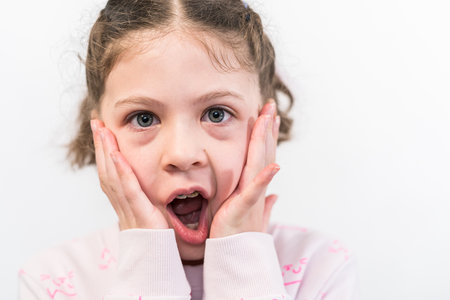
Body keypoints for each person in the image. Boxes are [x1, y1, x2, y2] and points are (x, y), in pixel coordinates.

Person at [19, 0, 358, 299]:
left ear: (266, 125)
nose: (182, 154)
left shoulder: (321, 268)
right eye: (144, 118)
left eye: (216, 114)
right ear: (100, 136)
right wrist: (149, 268)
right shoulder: (52, 282)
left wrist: (243, 263)